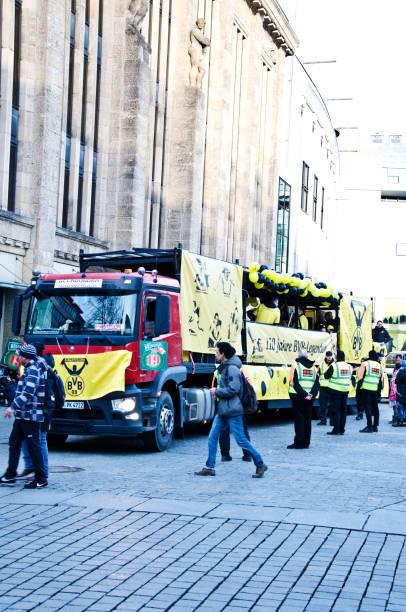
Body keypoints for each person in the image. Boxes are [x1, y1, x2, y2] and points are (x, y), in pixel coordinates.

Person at [195, 342, 267, 478]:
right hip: (223, 410)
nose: (215, 354)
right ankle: (209, 467)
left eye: (217, 352)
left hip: (233, 411)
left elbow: (234, 389)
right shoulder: (225, 367)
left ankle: (260, 464)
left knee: (241, 440)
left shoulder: (232, 368)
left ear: (223, 354)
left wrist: (217, 391)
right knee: (212, 437)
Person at [0, 345, 48, 488]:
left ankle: (41, 479)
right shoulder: (29, 368)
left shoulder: (33, 370)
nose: (18, 357)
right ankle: (10, 475)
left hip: (31, 416)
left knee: (34, 446)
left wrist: (12, 407)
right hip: (23, 415)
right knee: (14, 443)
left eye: (20, 355)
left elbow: (28, 393)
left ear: (26, 357)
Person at [18, 342, 55, 480]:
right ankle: (30, 467)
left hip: (42, 408)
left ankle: (42, 472)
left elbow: (37, 390)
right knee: (26, 438)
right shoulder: (39, 365)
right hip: (38, 408)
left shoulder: (40, 367)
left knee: (41, 439)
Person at [287, 349, 319, 449]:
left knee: (299, 420)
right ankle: (306, 442)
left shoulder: (295, 365)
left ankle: (299, 442)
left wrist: (304, 394)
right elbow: (317, 384)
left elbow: (294, 383)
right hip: (310, 398)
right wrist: (310, 395)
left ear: (298, 356)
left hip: (298, 397)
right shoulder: (314, 368)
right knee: (307, 420)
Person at [323, 350, 352, 435]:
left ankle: (336, 429)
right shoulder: (349, 366)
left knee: (336, 411)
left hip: (335, 391)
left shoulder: (334, 366)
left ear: (336, 357)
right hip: (345, 391)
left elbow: (326, 376)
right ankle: (342, 429)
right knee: (343, 411)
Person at [358, 350, 384, 433]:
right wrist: (379, 392)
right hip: (375, 389)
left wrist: (359, 388)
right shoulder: (379, 366)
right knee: (375, 408)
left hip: (366, 389)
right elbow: (381, 380)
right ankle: (375, 426)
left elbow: (360, 377)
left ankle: (369, 426)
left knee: (367, 408)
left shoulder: (365, 364)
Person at [316, 351, 334, 425]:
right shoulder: (322, 365)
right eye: (328, 356)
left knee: (332, 405)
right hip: (323, 387)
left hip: (331, 387)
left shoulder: (334, 365)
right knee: (323, 404)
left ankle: (332, 421)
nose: (329, 357)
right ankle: (323, 420)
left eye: (330, 356)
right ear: (326, 356)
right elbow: (317, 375)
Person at [392, 357, 406, 426]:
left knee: (400, 405)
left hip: (401, 391)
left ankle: (400, 421)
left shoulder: (402, 371)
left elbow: (397, 380)